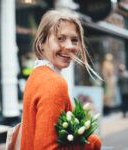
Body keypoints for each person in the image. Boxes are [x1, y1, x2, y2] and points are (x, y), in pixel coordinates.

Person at [20, 10, 102, 150]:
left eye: (74, 40)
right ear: (42, 43)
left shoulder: (37, 75)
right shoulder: (53, 83)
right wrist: (92, 142)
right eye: (60, 38)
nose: (70, 46)